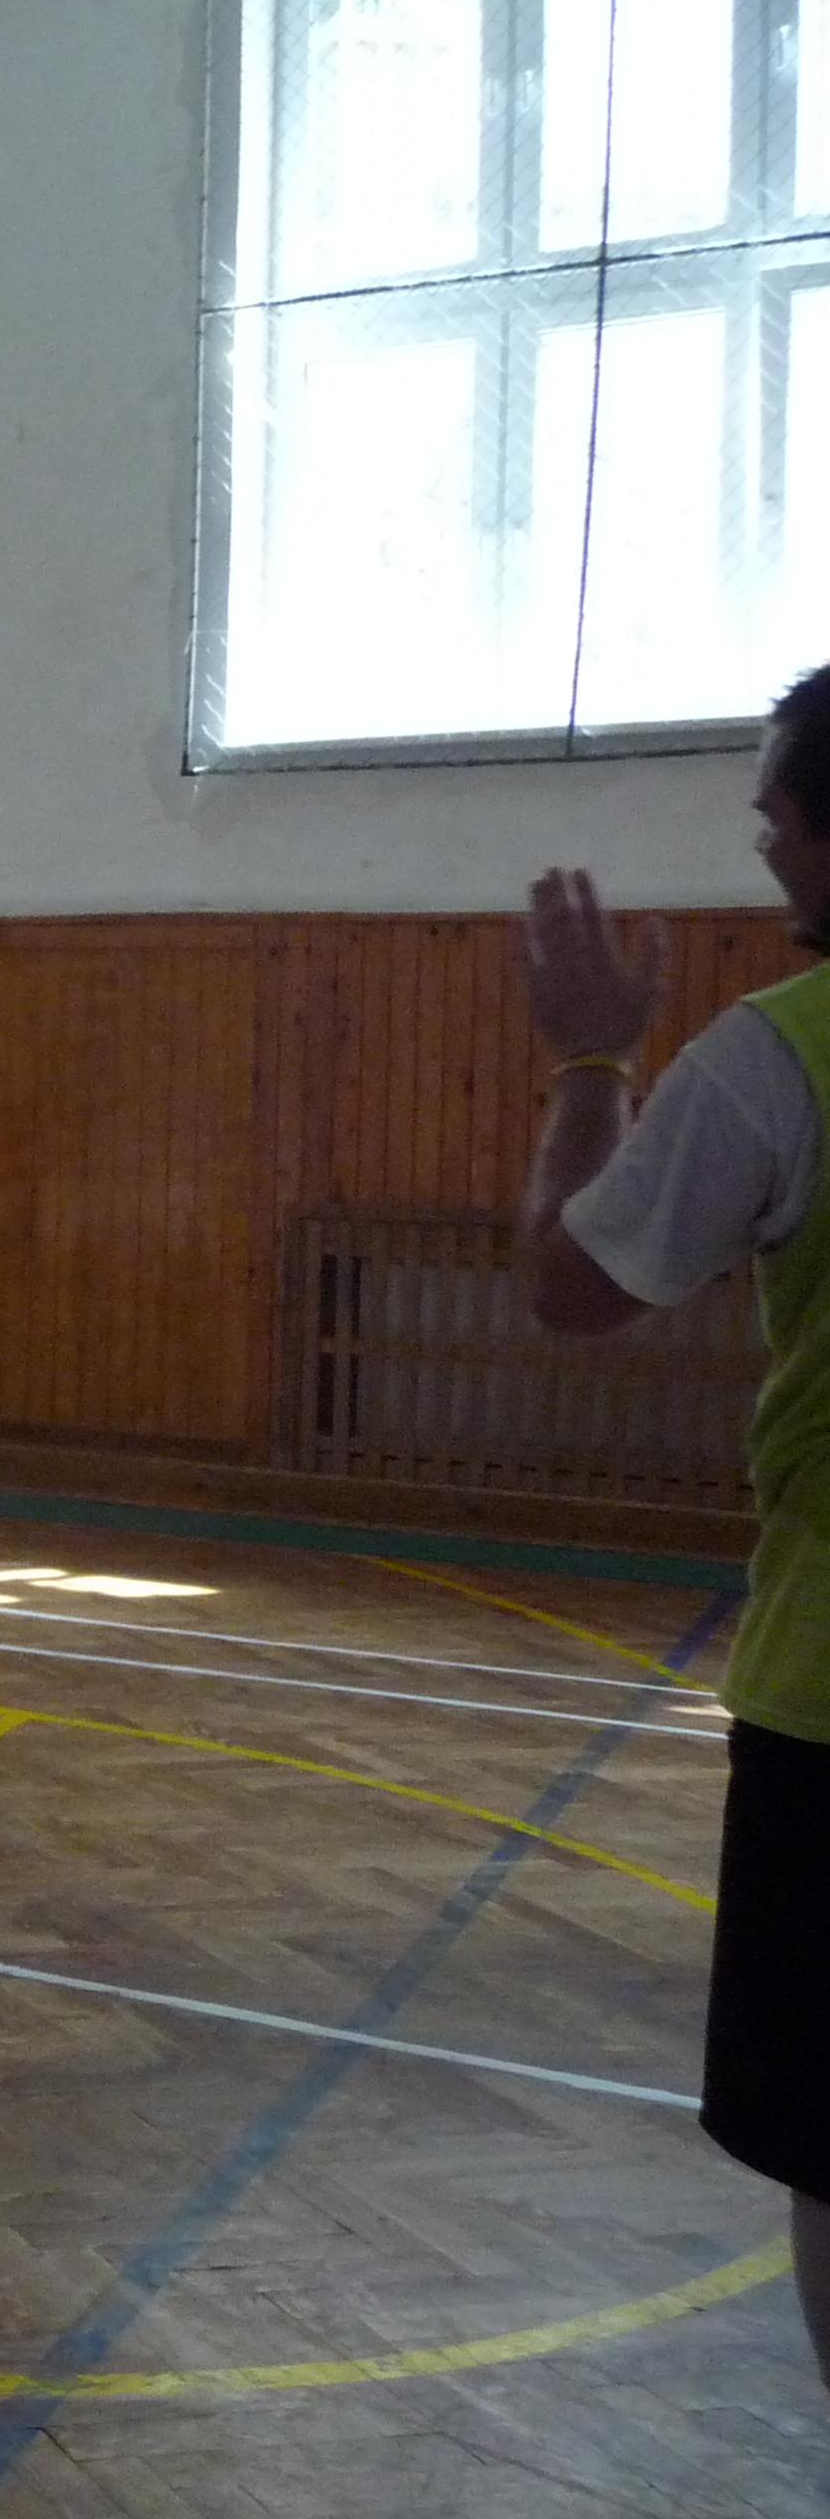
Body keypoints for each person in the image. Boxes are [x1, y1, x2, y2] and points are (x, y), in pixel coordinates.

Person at [519, 665, 830, 2392]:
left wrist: (589, 1060)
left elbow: (574, 1278)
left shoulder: (778, 1054)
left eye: (777, 808)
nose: (762, 837)